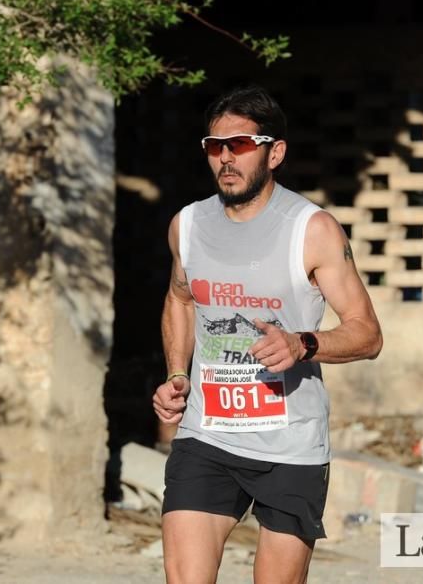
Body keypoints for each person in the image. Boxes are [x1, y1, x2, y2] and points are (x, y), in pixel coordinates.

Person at [152, 85, 383, 584]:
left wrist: (303, 343)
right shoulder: (186, 226)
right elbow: (180, 298)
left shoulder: (312, 229)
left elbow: (367, 334)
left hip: (290, 447)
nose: (226, 158)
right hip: (207, 435)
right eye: (215, 146)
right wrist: (176, 373)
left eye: (240, 145)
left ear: (274, 152)